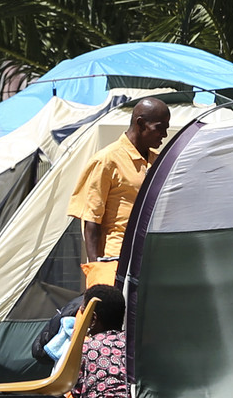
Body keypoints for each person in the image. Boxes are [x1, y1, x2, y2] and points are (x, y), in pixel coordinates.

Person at [67, 97, 172, 287]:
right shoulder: (107, 160)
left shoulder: (159, 162)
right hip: (116, 261)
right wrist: (96, 271)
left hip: (150, 261)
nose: (164, 134)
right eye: (160, 127)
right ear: (140, 124)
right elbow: (91, 220)